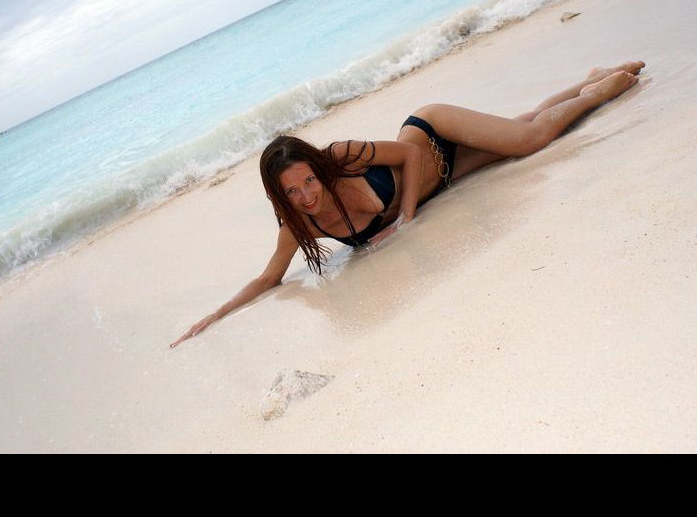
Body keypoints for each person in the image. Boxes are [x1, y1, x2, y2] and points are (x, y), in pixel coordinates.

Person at [170, 62, 644, 347]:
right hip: (447, 178)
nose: (306, 196)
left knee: (530, 139)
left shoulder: (342, 157)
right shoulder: (299, 226)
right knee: (521, 125)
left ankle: (597, 93)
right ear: (280, 197)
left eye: (308, 181)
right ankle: (587, 81)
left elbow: (409, 154)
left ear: (316, 167)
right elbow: (268, 278)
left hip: (433, 133)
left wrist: (406, 218)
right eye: (291, 192)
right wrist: (217, 314)